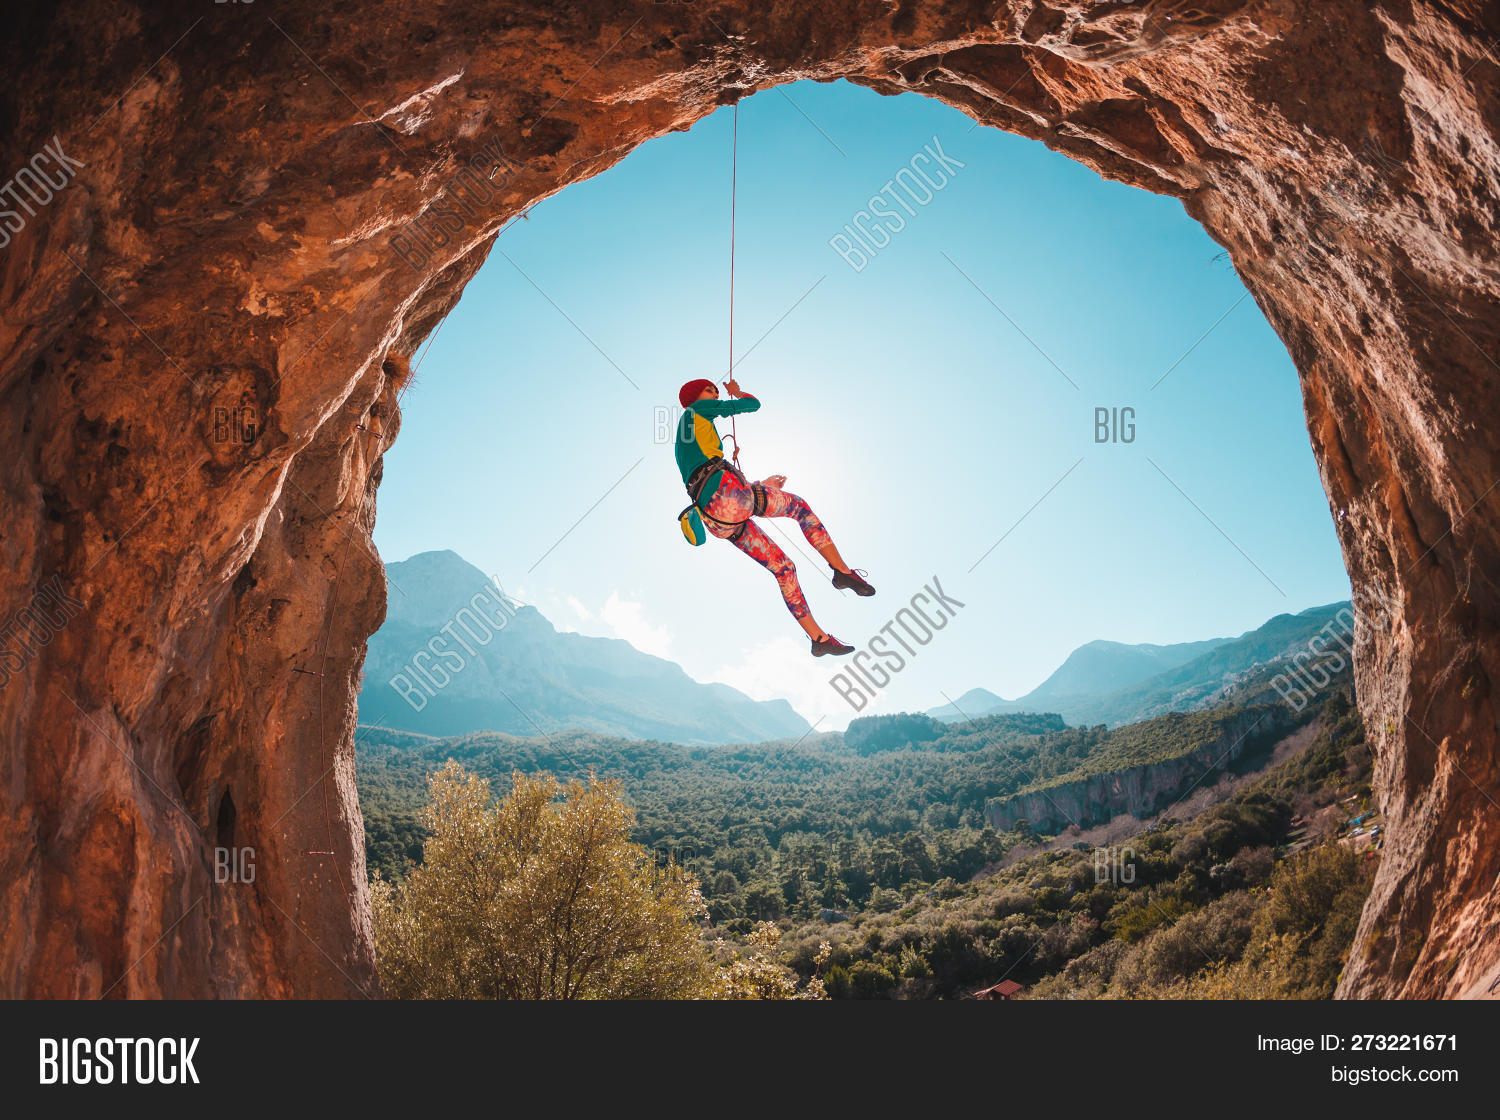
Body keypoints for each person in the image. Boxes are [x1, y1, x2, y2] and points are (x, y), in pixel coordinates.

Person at [674, 376, 874, 657]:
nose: (716, 394)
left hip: (717, 519)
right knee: (799, 507)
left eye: (717, 391)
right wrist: (736, 392)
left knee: (784, 568)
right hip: (727, 497)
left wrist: (759, 487)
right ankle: (843, 572)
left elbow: (717, 490)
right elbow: (752, 405)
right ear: (695, 397)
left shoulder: (688, 441)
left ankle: (819, 639)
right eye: (710, 390)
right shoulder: (695, 411)